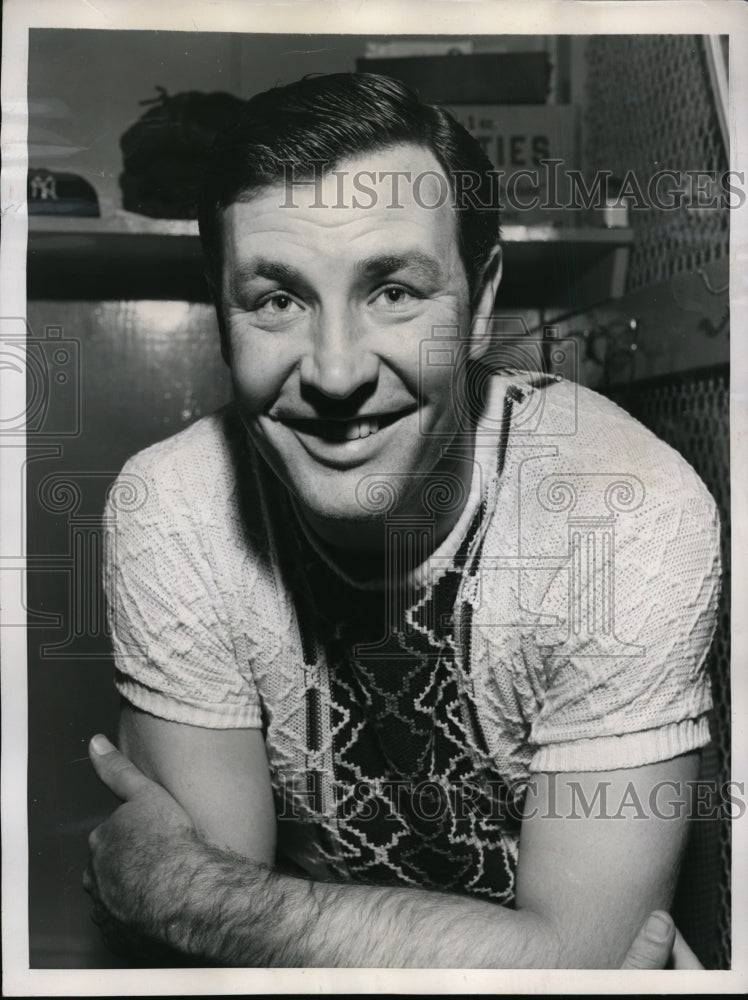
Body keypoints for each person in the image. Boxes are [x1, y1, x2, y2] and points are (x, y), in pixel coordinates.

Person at [84, 73, 720, 969]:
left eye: (394, 292)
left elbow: (587, 965)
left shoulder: (621, 518)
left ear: (481, 305)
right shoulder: (175, 508)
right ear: (221, 316)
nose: (337, 372)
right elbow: (205, 970)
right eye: (277, 300)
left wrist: (189, 893)